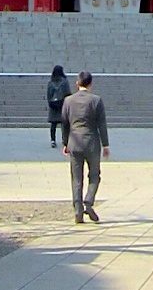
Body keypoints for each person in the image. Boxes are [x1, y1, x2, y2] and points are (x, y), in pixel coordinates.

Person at [61, 71, 110, 224]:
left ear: (77, 84)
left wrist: (65, 143)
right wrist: (105, 144)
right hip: (92, 143)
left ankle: (78, 211)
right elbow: (102, 124)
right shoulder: (96, 100)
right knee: (94, 175)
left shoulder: (68, 101)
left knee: (76, 178)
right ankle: (88, 201)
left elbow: (64, 124)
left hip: (74, 143)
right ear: (90, 84)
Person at [46, 65, 72, 148]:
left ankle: (53, 140)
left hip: (53, 105)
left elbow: (48, 94)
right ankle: (65, 140)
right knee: (64, 124)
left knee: (53, 124)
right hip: (62, 104)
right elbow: (68, 93)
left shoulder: (51, 82)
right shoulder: (64, 82)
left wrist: (50, 102)